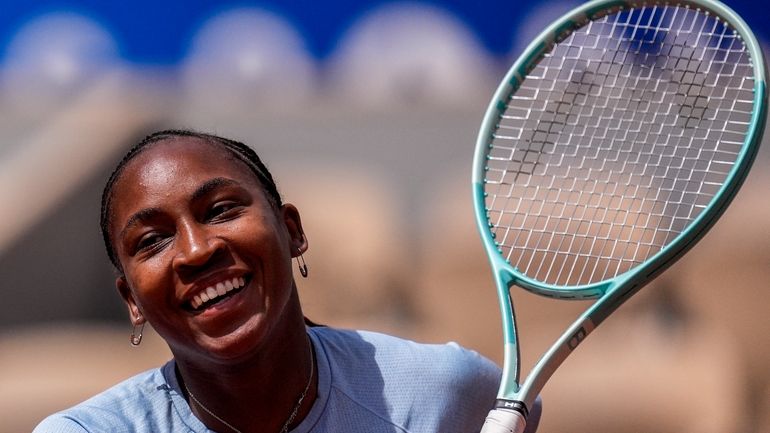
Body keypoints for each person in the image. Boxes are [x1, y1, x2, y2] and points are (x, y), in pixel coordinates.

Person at [33, 129, 540, 433]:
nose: (196, 250)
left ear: (292, 230)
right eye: (152, 241)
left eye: (222, 209)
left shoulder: (441, 391)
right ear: (132, 300)